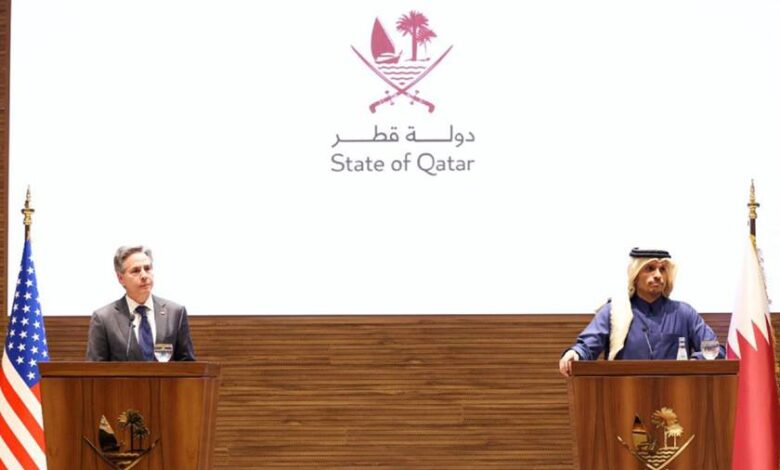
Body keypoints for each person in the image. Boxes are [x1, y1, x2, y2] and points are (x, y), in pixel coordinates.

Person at [558, 248, 722, 377]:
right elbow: (587, 346)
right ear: (635, 275)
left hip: (676, 399)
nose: (658, 275)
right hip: (624, 398)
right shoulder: (615, 311)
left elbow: (716, 350)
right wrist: (575, 353)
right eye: (650, 268)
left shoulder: (683, 313)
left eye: (662, 269)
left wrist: (693, 362)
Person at [86, 245, 196, 361]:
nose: (144, 275)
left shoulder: (175, 313)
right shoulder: (104, 319)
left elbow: (187, 364)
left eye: (147, 268)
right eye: (136, 271)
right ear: (120, 278)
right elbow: (95, 368)